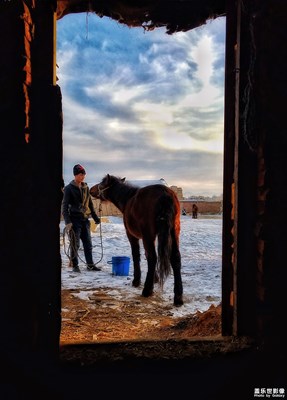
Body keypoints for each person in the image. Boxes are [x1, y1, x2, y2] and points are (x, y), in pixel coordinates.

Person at [61, 164, 101, 273]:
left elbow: (90, 204)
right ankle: (75, 266)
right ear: (75, 175)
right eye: (80, 174)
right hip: (74, 220)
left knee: (88, 244)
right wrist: (68, 222)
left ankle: (90, 265)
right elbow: (64, 207)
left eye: (83, 174)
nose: (82, 176)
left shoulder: (86, 187)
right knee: (75, 244)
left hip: (85, 220)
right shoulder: (69, 189)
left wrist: (95, 217)